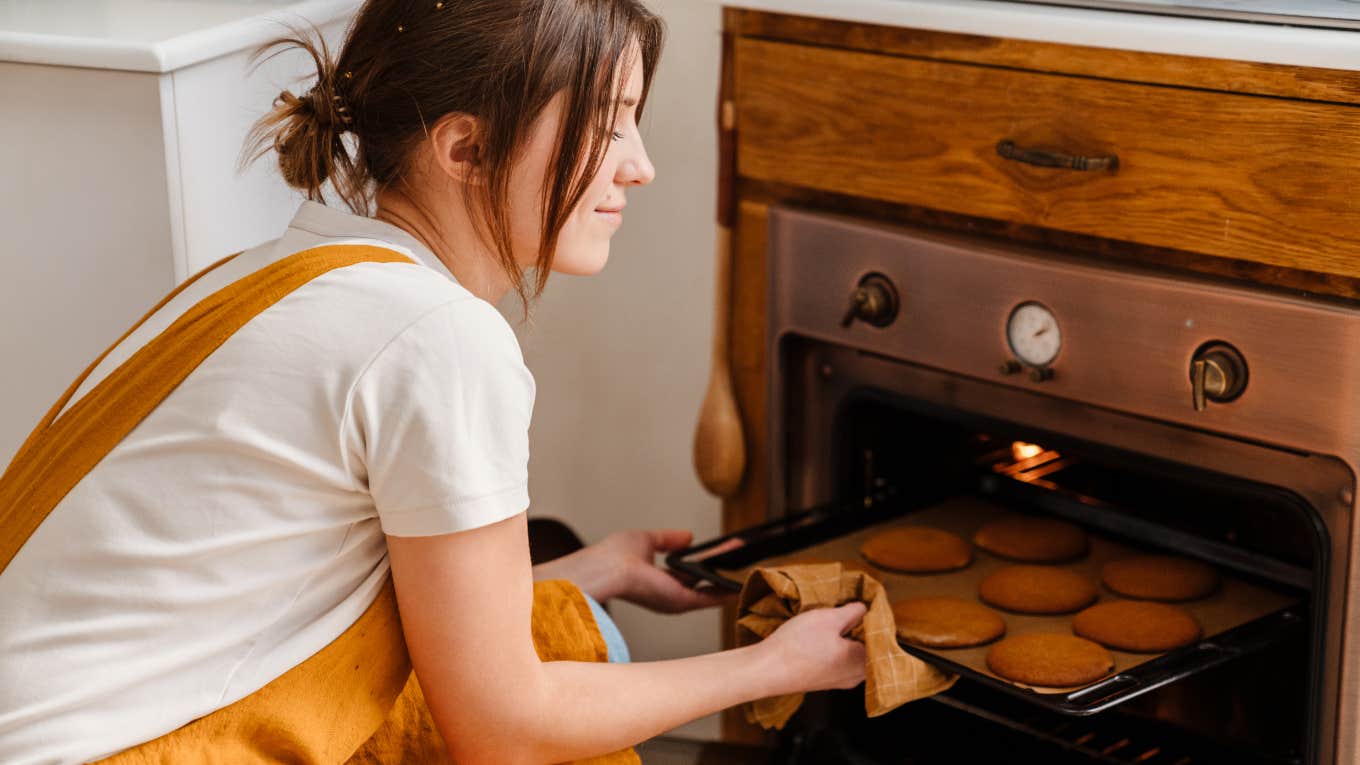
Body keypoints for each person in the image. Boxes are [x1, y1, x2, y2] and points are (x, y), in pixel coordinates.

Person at [0, 1, 868, 763]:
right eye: (609, 124)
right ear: (467, 147)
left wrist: (590, 569)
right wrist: (779, 664)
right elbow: (505, 731)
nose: (637, 165)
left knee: (579, 615)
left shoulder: (272, 272)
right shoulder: (435, 335)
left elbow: (297, 595)